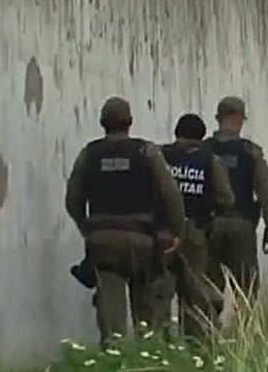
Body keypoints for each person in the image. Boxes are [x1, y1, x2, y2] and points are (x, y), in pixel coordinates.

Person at [64, 97, 185, 345]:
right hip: (142, 242)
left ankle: (114, 358)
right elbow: (170, 194)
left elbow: (72, 200)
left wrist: (86, 228)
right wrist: (177, 232)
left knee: (111, 321)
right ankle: (147, 356)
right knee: (148, 315)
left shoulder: (89, 153)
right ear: (130, 123)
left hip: (104, 244)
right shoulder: (147, 151)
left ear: (102, 123)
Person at [158, 113, 236, 339]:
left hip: (162, 233)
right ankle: (195, 344)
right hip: (194, 233)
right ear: (201, 137)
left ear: (176, 133)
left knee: (160, 290)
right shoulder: (210, 160)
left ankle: (159, 343)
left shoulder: (160, 156)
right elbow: (227, 199)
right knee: (193, 292)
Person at [204, 97, 268, 304]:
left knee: (208, 289)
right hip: (241, 226)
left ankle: (207, 333)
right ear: (240, 119)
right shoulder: (251, 152)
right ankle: (243, 334)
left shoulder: (203, 150)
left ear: (218, 118)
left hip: (209, 227)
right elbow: (266, 194)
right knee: (245, 290)